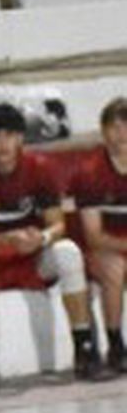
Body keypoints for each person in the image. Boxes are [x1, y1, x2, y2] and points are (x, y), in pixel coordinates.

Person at [0, 102, 105, 392]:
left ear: (21, 138)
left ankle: (84, 348)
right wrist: (7, 239)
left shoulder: (40, 167)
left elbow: (58, 224)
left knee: (68, 252)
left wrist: (42, 239)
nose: (3, 144)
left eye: (10, 135)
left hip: (32, 253)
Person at [72, 97, 127, 371]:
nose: (122, 135)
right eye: (114, 127)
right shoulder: (90, 172)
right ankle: (116, 344)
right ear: (103, 132)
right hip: (99, 250)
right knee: (114, 266)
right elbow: (93, 236)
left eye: (126, 126)